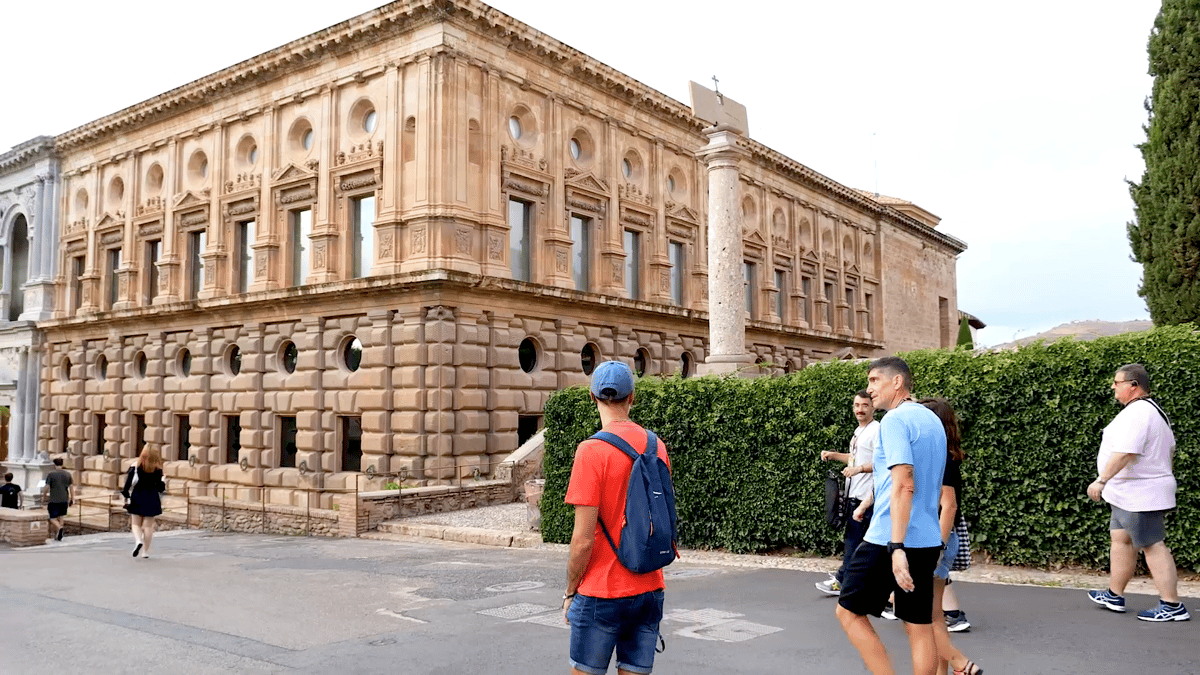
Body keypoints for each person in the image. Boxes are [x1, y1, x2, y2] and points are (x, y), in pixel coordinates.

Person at [836, 356, 946, 675]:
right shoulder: (931, 419)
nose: (869, 390)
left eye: (874, 381)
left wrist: (896, 548)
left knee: (848, 611)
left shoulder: (894, 421)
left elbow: (904, 483)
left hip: (889, 537)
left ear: (896, 382)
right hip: (927, 538)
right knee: (918, 626)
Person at [563, 361, 670, 675]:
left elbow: (582, 541)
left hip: (601, 591)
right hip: (649, 586)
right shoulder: (656, 446)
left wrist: (570, 591)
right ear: (632, 397)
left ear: (593, 397)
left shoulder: (591, 451)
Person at [1086, 364, 1189, 622]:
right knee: (1121, 538)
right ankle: (1114, 594)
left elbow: (1126, 451)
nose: (1113, 386)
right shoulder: (1149, 411)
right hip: (1129, 494)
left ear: (1133, 385)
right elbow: (1170, 451)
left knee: (1153, 545)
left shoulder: (1139, 413)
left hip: (1140, 495)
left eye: (1117, 382)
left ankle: (1172, 605)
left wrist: (1101, 480)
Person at [920, 397, 984, 675]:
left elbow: (949, 505)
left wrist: (938, 547)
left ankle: (962, 664)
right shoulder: (945, 453)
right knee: (934, 617)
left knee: (921, 619)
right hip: (938, 537)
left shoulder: (941, 457)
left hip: (935, 538)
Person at [817, 389, 878, 595]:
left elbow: (882, 461)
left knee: (854, 544)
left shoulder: (876, 430)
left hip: (865, 498)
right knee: (859, 544)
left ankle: (842, 582)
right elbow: (855, 458)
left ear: (873, 408)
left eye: (864, 405)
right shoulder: (859, 431)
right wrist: (834, 455)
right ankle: (864, 585)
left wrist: (859, 469)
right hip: (854, 496)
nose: (859, 409)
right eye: (856, 405)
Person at [122, 446, 167, 558]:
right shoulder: (157, 470)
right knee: (148, 527)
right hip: (152, 497)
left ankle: (138, 541)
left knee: (135, 524)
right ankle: (145, 552)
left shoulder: (135, 467)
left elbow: (127, 486)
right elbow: (161, 488)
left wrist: (126, 496)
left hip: (138, 495)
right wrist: (163, 481)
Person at [42, 458, 74, 541]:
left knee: (52, 518)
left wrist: (44, 496)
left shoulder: (51, 474)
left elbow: (46, 488)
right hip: (64, 499)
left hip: (54, 499)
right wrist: (72, 498)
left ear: (54, 464)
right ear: (62, 464)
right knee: (61, 516)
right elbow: (71, 488)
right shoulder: (68, 474)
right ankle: (58, 535)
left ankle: (60, 528)